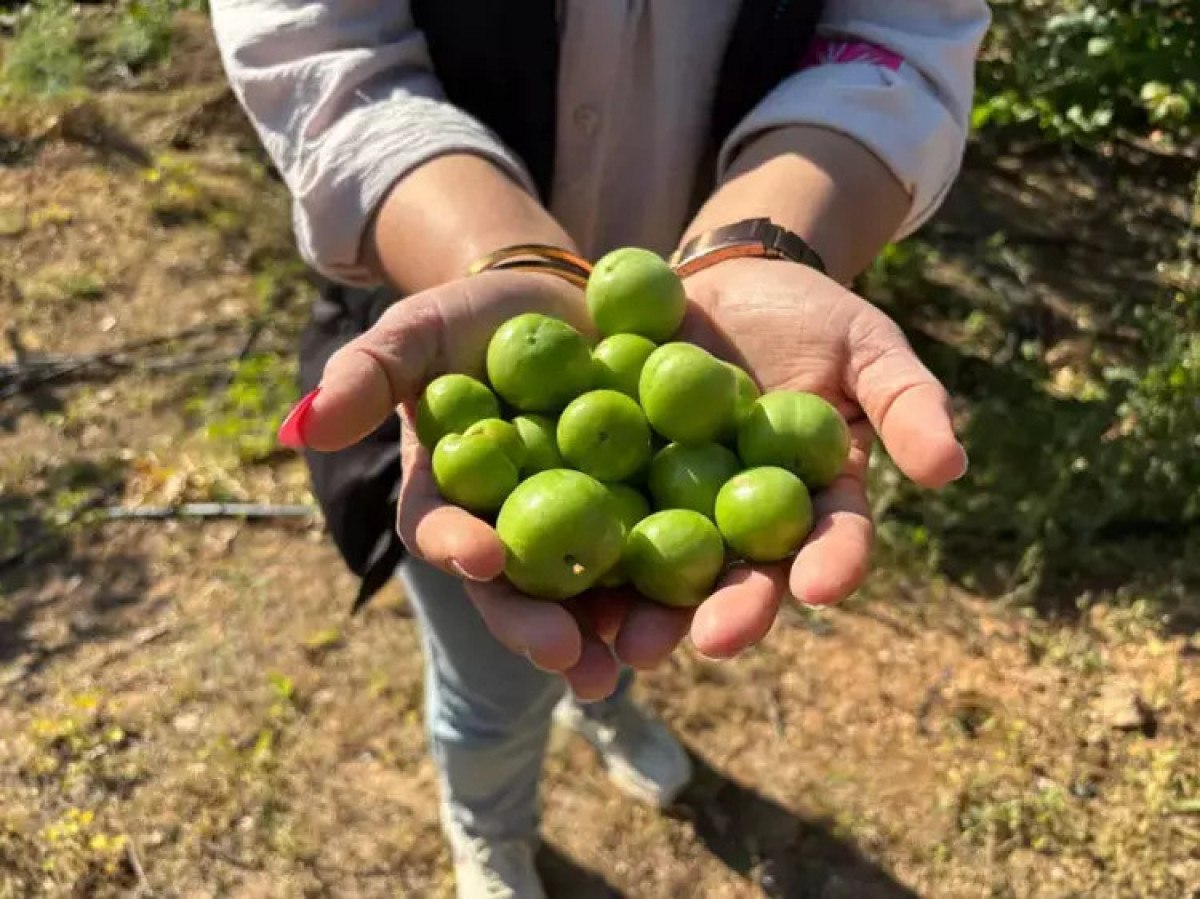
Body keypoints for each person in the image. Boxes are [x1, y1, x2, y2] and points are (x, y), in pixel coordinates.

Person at [210, 2, 989, 896]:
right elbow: (322, 56)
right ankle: (488, 827)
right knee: (489, 685)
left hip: (709, 300)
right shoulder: (489, 428)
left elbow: (902, 32)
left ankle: (605, 706)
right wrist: (502, 259)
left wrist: (761, 245)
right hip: (438, 300)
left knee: (614, 622)